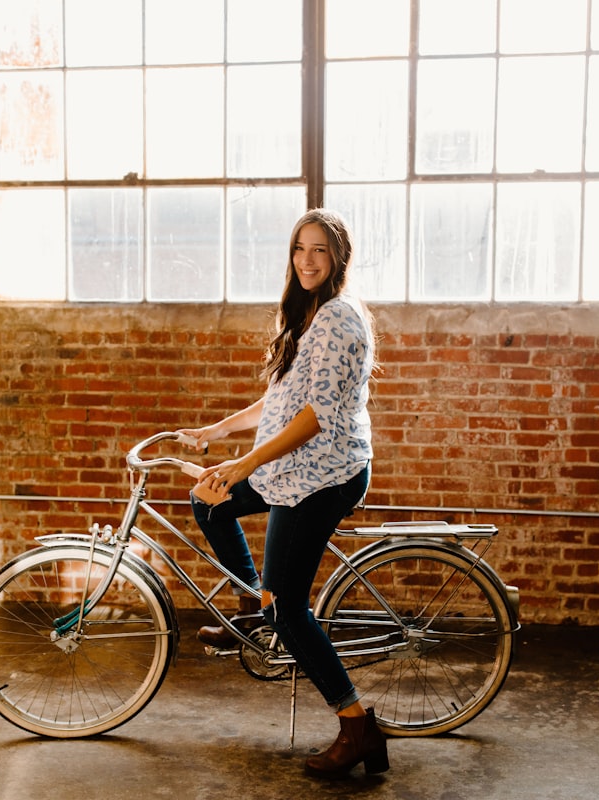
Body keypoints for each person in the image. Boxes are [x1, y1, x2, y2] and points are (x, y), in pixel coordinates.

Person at [177, 208, 388, 779]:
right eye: (300, 248)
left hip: (323, 474)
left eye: (319, 250)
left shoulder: (341, 320)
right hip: (289, 466)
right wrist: (215, 433)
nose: (307, 260)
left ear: (338, 257)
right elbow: (279, 404)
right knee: (207, 498)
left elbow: (315, 417)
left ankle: (356, 726)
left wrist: (243, 463)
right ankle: (253, 611)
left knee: (291, 605)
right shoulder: (304, 314)